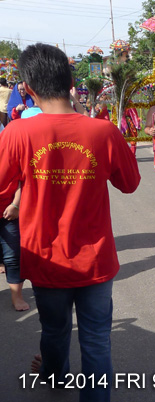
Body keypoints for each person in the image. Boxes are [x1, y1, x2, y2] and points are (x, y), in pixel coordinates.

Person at [0, 43, 140, 402]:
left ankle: (55, 375)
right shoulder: (103, 132)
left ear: (27, 88)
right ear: (71, 82)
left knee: (54, 330)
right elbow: (130, 183)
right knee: (96, 340)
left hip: (46, 260)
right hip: (95, 261)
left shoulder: (17, 133)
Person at [1, 185, 28, 311]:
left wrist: (16, 204)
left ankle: (17, 296)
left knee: (12, 255)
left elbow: (20, 182)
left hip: (8, 211)